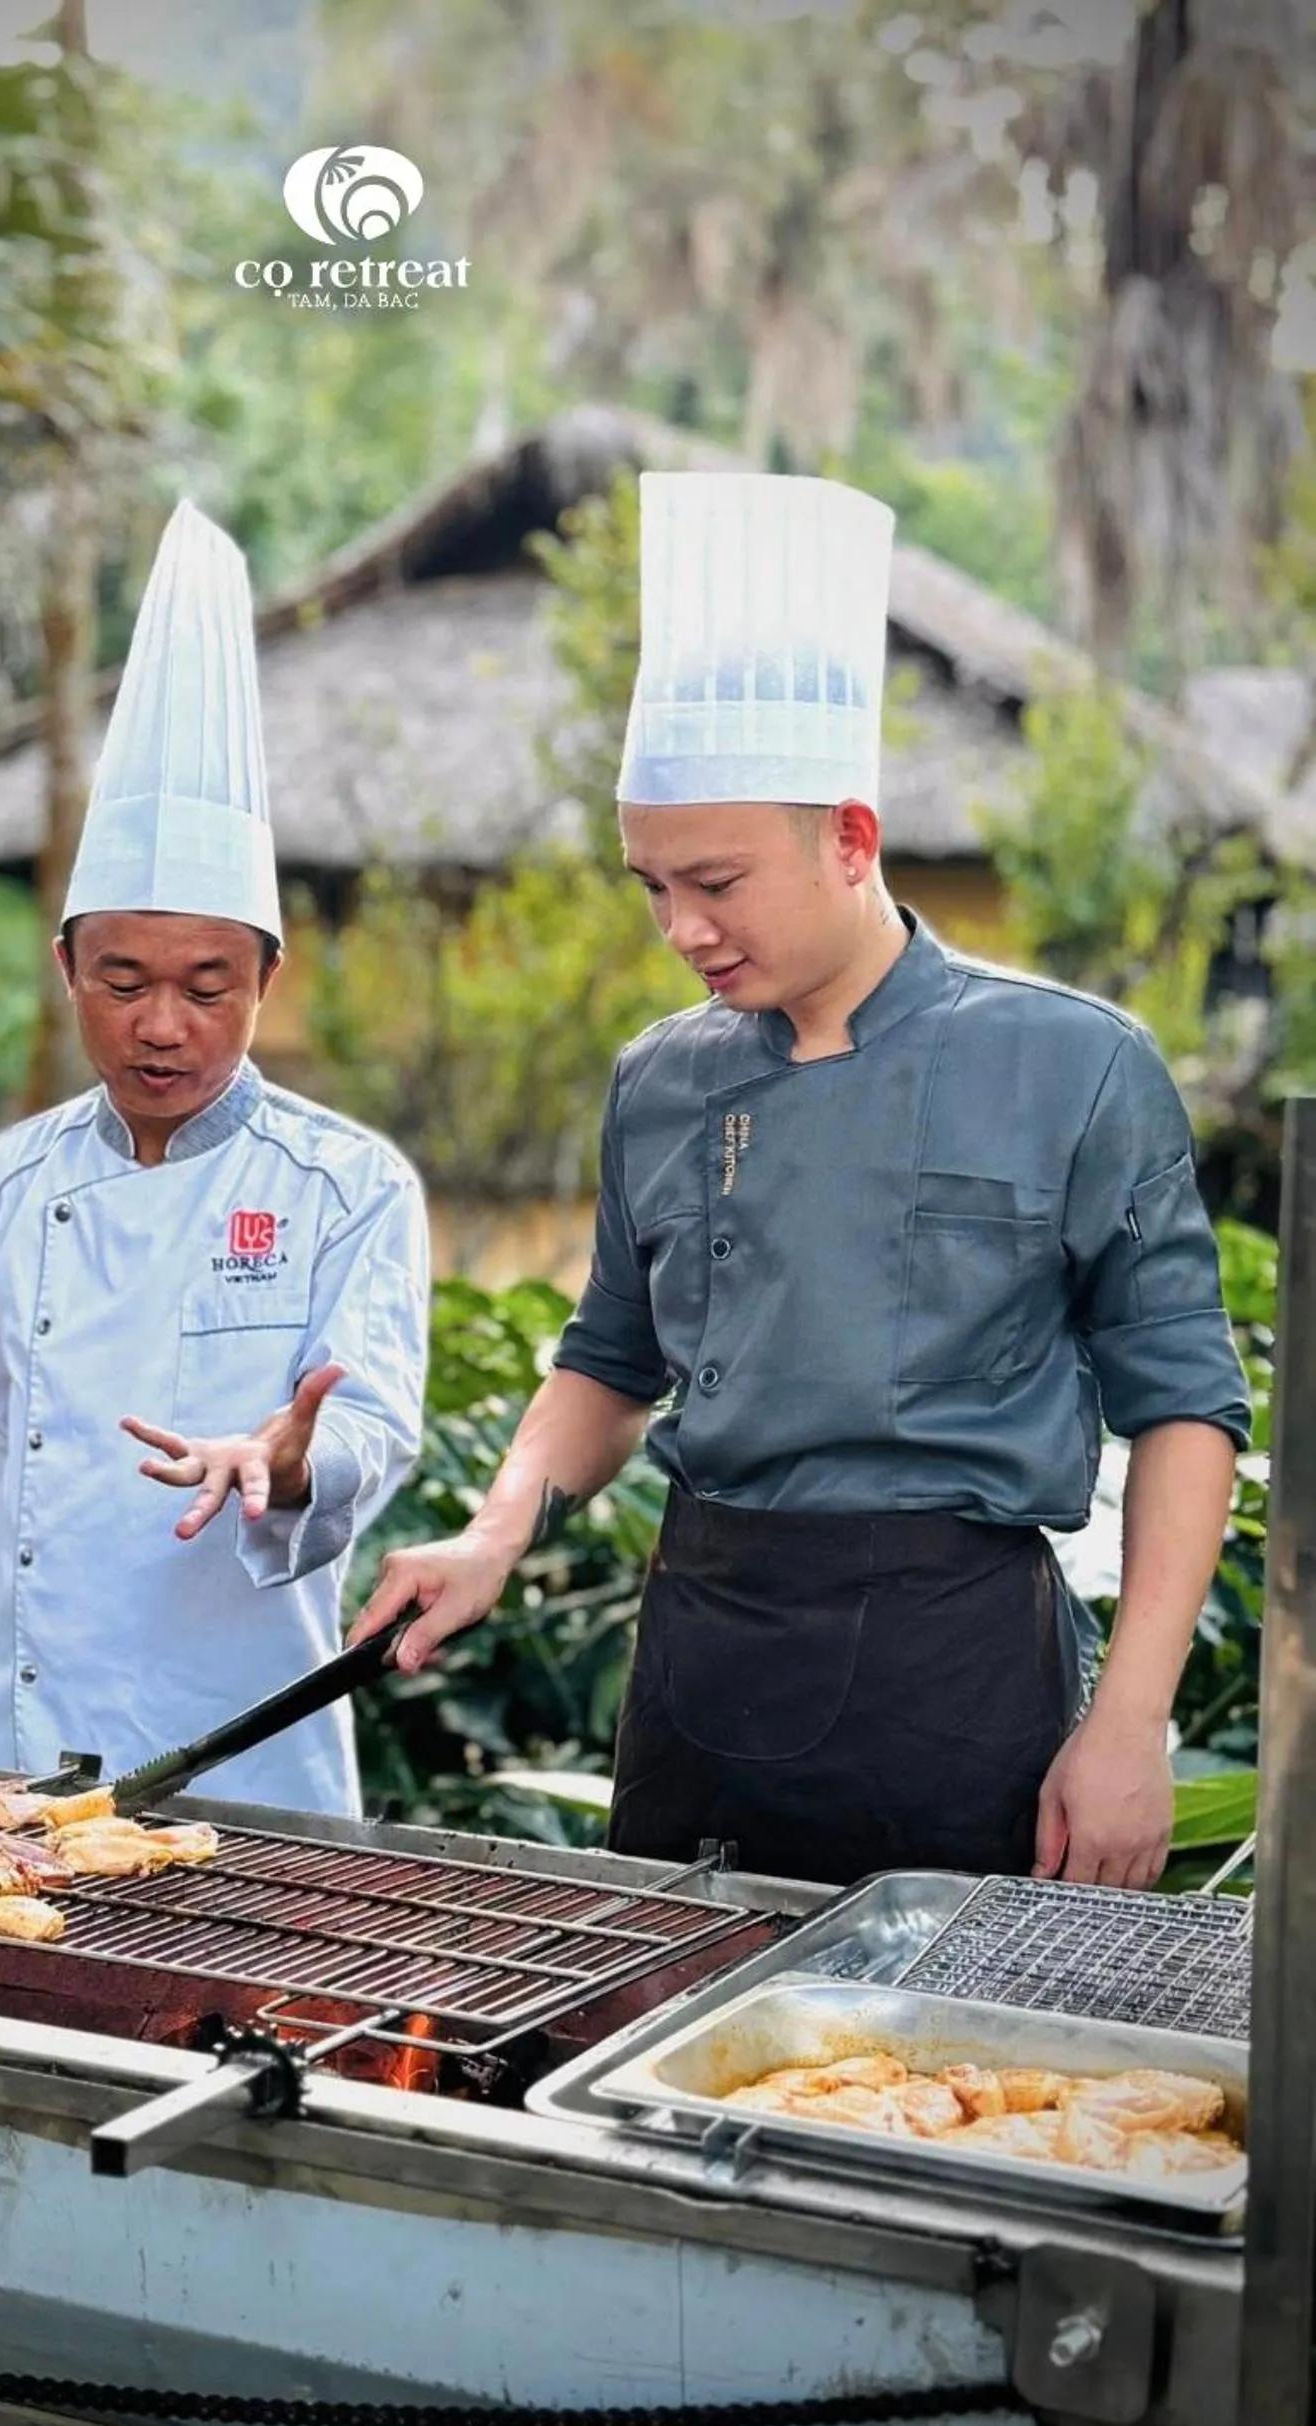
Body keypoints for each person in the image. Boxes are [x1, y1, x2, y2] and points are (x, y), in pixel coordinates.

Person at [352, 468, 1248, 1894]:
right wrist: (497, 1526)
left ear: (849, 837)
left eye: (716, 881)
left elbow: (1185, 1406)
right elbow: (608, 1360)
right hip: (700, 1643)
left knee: (941, 2078)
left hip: (953, 1664)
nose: (681, 929)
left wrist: (1129, 1722)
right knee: (649, 2049)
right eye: (652, 886)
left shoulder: (1070, 1063)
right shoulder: (660, 1078)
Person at [0, 500, 427, 2426]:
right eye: (125, 981)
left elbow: (380, 1429)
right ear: (68, 968)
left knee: (254, 2134)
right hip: (22, 1733)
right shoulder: (3, 1185)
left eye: (207, 988)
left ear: (265, 982)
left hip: (241, 1744)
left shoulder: (343, 1189)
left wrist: (288, 1474)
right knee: (30, 2123)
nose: (163, 1025)